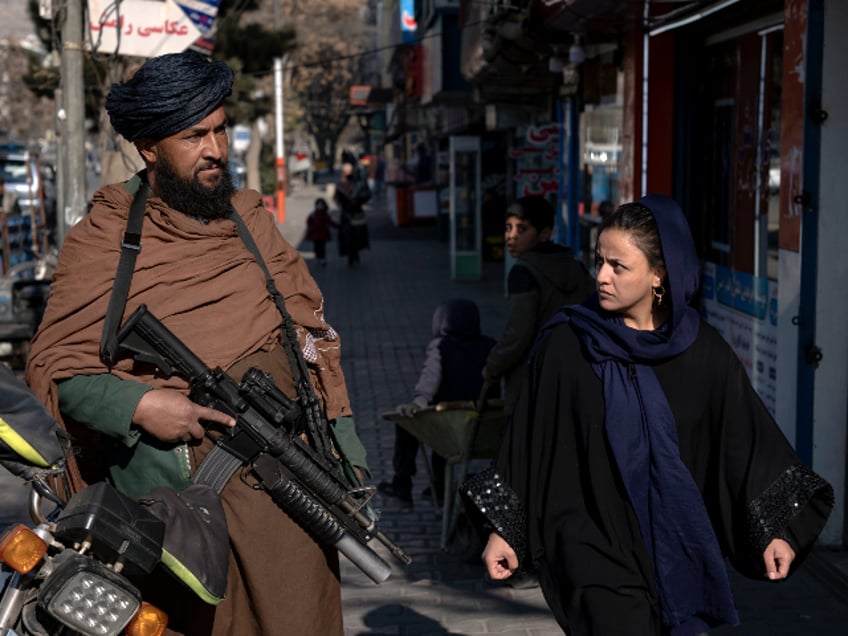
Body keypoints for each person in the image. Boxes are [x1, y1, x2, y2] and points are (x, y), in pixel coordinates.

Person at [25, 51, 367, 636]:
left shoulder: (249, 223)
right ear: (149, 147)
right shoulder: (107, 237)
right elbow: (60, 371)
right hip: (181, 517)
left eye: (219, 129)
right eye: (194, 136)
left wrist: (349, 465)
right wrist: (139, 406)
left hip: (288, 496)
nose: (215, 149)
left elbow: (311, 345)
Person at [467, 195, 834, 635]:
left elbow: (744, 442)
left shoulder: (703, 352)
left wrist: (777, 531)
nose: (601, 276)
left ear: (659, 274)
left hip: (675, 548)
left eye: (618, 267)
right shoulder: (568, 344)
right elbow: (528, 440)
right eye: (599, 261)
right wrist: (504, 530)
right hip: (589, 548)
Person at [378, 299, 496, 506]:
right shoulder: (491, 346)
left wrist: (419, 402)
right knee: (443, 424)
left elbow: (430, 378)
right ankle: (439, 488)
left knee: (409, 422)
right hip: (484, 424)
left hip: (449, 422)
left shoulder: (441, 346)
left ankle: (402, 484)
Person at [482, 195, 593, 416]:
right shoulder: (577, 268)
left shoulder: (524, 272)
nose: (511, 236)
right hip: (575, 375)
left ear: (544, 233)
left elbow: (518, 333)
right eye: (508, 228)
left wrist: (493, 366)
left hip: (533, 380)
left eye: (521, 229)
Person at [333, 161, 370, 268]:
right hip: (347, 214)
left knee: (357, 235)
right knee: (348, 235)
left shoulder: (358, 183)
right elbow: (337, 199)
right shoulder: (340, 185)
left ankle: (355, 253)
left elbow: (366, 195)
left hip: (357, 213)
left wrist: (358, 201)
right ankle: (351, 255)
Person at [305, 197, 338, 267]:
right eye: (318, 204)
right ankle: (318, 258)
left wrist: (338, 226)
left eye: (321, 204)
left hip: (323, 234)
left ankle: (322, 258)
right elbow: (309, 222)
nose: (320, 206)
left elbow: (330, 222)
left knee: (322, 247)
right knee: (316, 246)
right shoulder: (313, 214)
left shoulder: (325, 214)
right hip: (315, 234)